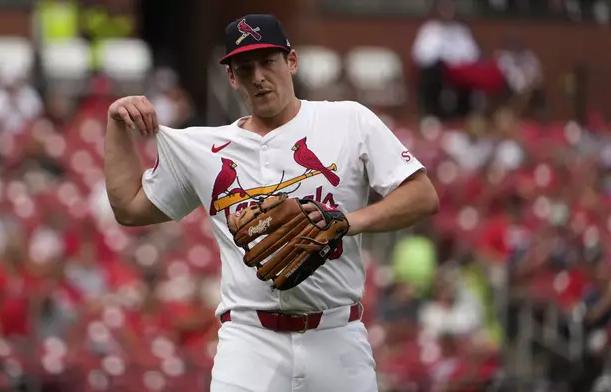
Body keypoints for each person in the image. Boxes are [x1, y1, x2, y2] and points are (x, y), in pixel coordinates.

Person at [103, 13, 439, 392]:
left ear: (291, 62)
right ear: (232, 78)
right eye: (245, 68)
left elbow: (422, 195)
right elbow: (129, 208)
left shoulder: (349, 120)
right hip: (249, 343)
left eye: (268, 62)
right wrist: (117, 125)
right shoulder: (202, 147)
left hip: (337, 335)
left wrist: (346, 222)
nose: (258, 76)